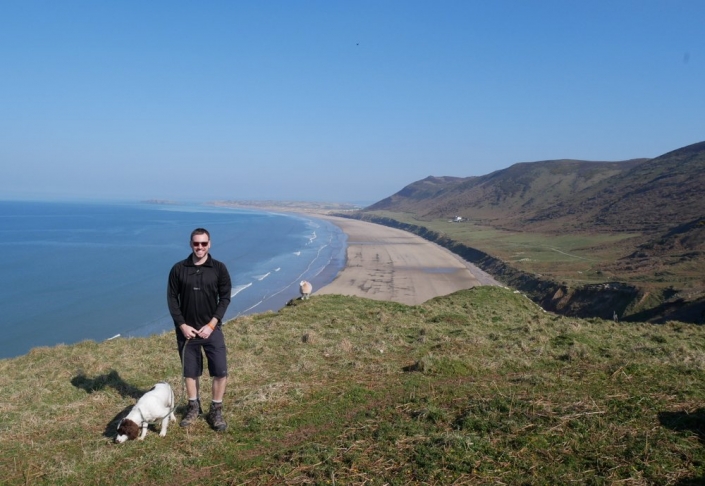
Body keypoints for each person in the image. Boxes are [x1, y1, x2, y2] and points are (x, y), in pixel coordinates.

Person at [167, 228, 232, 432]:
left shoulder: (219, 269)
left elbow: (225, 298)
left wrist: (212, 324)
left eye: (204, 243)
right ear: (190, 244)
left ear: (209, 244)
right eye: (196, 243)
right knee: (190, 372)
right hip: (187, 332)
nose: (200, 247)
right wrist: (182, 325)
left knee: (220, 371)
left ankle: (216, 410)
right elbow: (171, 299)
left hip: (212, 330)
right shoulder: (178, 269)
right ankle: (193, 407)